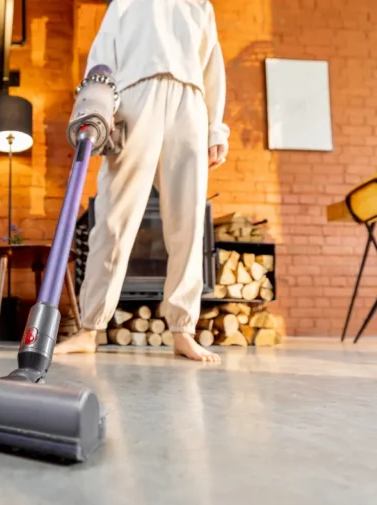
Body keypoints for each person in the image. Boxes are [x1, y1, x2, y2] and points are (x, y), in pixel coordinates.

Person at [55, 0, 229, 363]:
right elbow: (101, 59)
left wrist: (215, 129)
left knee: (188, 222)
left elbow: (213, 67)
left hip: (190, 102)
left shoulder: (200, 5)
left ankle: (182, 329)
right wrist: (98, 103)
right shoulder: (125, 2)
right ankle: (90, 327)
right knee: (114, 217)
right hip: (134, 99)